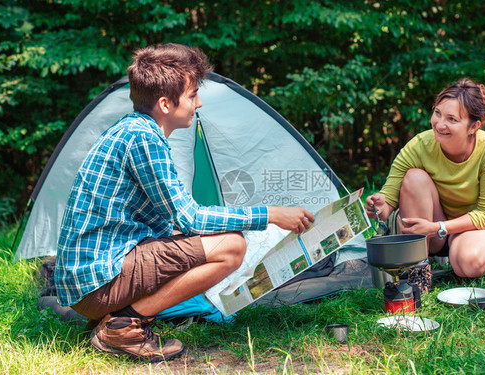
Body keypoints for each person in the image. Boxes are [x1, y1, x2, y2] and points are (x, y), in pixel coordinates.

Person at [54, 43, 315, 362]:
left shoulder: (133, 129)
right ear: (166, 103)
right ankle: (122, 325)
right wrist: (271, 215)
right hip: (96, 282)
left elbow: (171, 222)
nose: (198, 102)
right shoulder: (143, 138)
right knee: (231, 248)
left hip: (90, 278)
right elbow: (189, 217)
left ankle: (118, 319)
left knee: (205, 241)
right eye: (192, 95)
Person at [366, 78, 485, 291]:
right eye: (437, 113)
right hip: (432, 229)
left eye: (452, 119)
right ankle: (418, 273)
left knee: (469, 263)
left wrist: (438, 228)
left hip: (476, 227)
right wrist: (380, 206)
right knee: (414, 176)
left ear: (474, 126)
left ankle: (478, 249)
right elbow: (389, 198)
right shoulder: (420, 145)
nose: (440, 124)